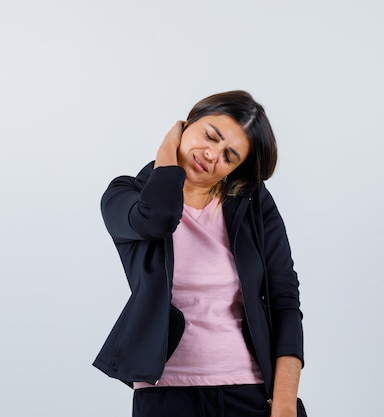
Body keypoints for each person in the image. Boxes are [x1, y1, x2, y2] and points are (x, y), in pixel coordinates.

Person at [93, 90, 306, 417]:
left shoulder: (254, 205)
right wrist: (167, 156)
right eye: (210, 136)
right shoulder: (126, 196)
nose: (211, 154)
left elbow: (284, 298)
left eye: (229, 155)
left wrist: (285, 404)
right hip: (166, 397)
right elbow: (157, 220)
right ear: (187, 123)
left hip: (250, 393)